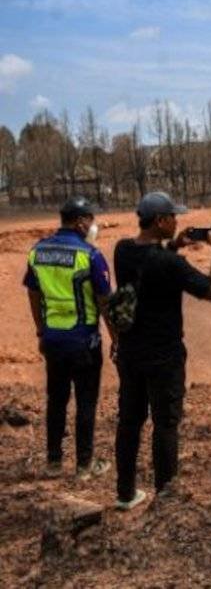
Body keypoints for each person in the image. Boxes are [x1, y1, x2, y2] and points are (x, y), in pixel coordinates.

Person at [112, 191, 211, 511]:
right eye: (173, 217)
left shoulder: (122, 250)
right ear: (160, 221)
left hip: (131, 353)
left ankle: (124, 493)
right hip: (165, 358)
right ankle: (164, 501)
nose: (177, 222)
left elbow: (148, 262)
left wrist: (175, 244)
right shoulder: (171, 264)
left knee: (129, 421)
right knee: (165, 424)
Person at [24, 197, 115, 480]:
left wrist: (41, 331)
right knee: (86, 402)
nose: (93, 225)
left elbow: (33, 293)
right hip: (84, 342)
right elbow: (104, 302)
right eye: (90, 219)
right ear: (80, 222)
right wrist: (116, 338)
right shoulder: (90, 255)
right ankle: (84, 467)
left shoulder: (37, 252)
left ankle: (53, 463)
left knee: (57, 399)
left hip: (53, 340)